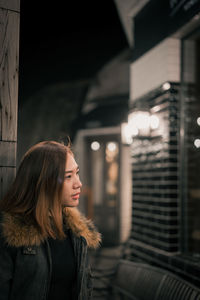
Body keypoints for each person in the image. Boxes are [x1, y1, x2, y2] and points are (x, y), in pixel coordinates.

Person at [0, 140, 101, 300]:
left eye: (77, 172)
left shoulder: (77, 234)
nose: (79, 184)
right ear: (44, 182)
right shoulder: (11, 236)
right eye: (68, 176)